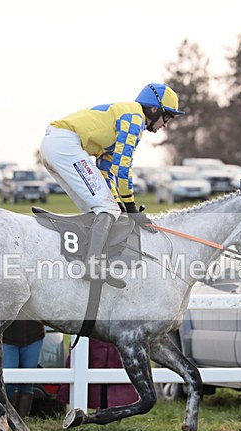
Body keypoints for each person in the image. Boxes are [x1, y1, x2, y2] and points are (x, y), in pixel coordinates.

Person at [40, 83, 185, 287]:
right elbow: (122, 168)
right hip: (65, 144)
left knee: (102, 209)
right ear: (154, 109)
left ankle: (85, 258)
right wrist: (132, 208)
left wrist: (122, 206)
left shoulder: (127, 117)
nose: (166, 124)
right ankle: (92, 265)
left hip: (55, 144)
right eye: (167, 116)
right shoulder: (134, 119)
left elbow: (106, 171)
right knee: (106, 208)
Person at [2, 313, 45, 417]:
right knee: (8, 383)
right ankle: (8, 418)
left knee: (27, 383)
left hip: (34, 337)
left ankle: (22, 419)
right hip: (7, 338)